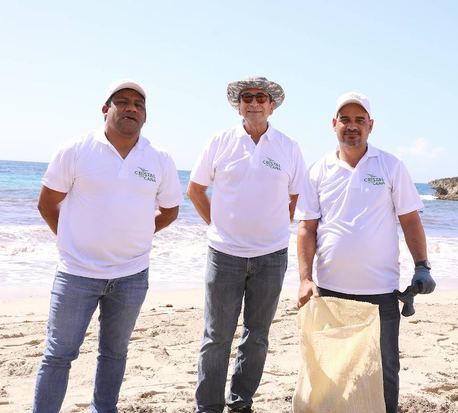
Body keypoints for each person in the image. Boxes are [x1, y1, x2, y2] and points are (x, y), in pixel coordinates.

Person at [33, 79, 183, 413]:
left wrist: (140, 234)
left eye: (138, 105)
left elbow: (171, 210)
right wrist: (73, 240)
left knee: (115, 353)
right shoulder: (75, 150)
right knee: (58, 354)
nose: (131, 108)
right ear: (106, 109)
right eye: (122, 101)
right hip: (76, 274)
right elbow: (47, 204)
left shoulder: (159, 159)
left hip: (132, 275)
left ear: (145, 117)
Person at [295, 91, 436, 413]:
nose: (352, 126)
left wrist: (422, 266)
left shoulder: (390, 166)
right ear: (333, 124)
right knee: (334, 370)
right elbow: (307, 228)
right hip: (331, 292)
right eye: (345, 119)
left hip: (381, 293)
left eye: (360, 120)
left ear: (371, 125)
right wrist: (305, 279)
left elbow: (410, 219)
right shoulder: (318, 170)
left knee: (384, 371)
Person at [188, 76, 306, 413]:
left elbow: (297, 194)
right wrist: (218, 225)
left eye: (261, 97)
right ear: (238, 105)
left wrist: (277, 226)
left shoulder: (288, 146)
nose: (254, 102)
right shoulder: (220, 141)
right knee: (216, 338)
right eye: (247, 97)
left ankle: (241, 404)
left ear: (272, 105)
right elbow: (195, 190)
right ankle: (208, 407)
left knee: (256, 337)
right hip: (224, 255)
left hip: (271, 256)